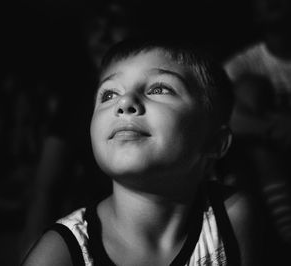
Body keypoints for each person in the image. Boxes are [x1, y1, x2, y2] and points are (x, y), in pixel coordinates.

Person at [21, 39, 260, 266]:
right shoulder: (61, 254)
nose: (124, 102)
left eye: (159, 89)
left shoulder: (231, 218)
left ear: (215, 143)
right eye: (109, 94)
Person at [223, 0, 291, 252]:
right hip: (269, 149)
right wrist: (287, 132)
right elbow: (223, 116)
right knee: (247, 88)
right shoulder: (244, 63)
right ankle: (290, 233)